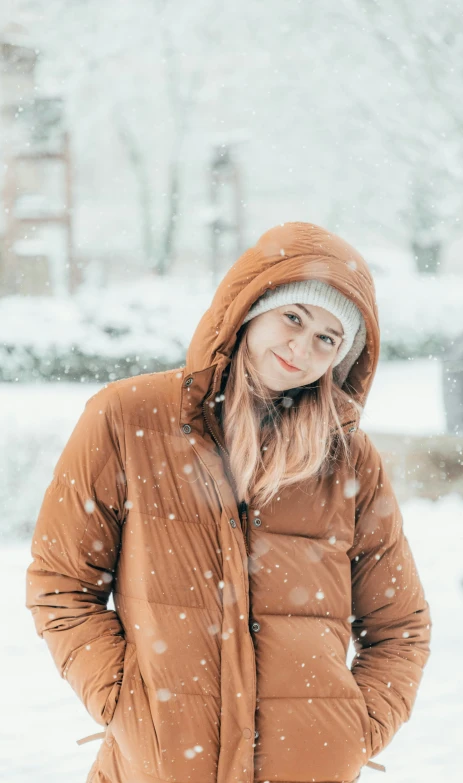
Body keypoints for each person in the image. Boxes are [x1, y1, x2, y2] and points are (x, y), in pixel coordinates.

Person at [26, 222, 431, 783]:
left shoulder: (347, 458)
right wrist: (127, 705)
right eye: (293, 317)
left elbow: (400, 625)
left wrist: (354, 734)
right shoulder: (129, 417)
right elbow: (61, 583)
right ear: (249, 308)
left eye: (328, 339)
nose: (302, 348)